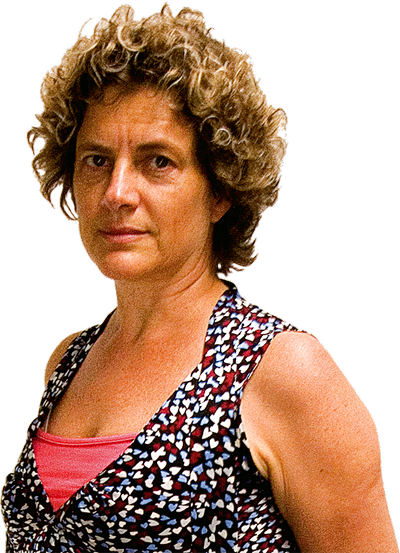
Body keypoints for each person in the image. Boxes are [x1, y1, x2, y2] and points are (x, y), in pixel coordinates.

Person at [1, 3, 398, 552]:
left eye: (157, 161)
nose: (117, 192)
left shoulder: (283, 372)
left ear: (220, 191)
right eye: (96, 160)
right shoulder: (67, 363)